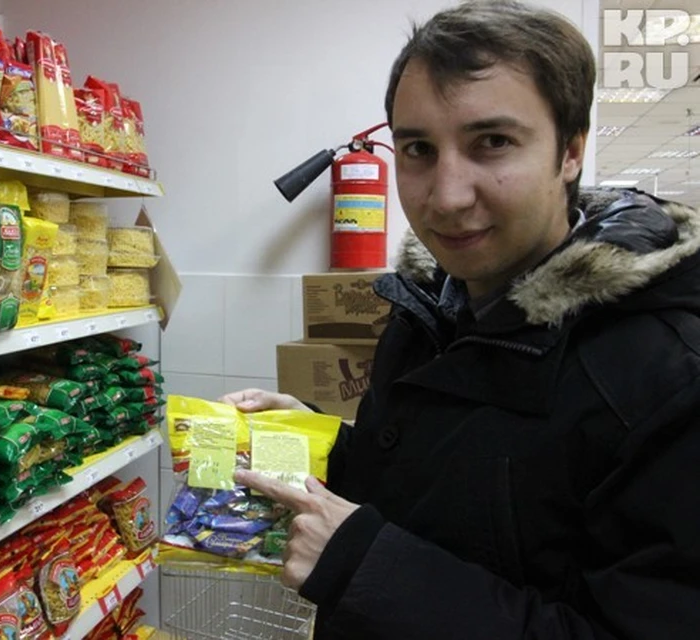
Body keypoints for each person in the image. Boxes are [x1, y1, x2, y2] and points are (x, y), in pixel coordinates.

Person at [223, 1, 700, 638]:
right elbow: (447, 485)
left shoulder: (669, 378)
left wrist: (362, 564)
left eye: (492, 143)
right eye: (419, 149)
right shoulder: (430, 306)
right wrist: (326, 441)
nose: (446, 197)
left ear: (569, 152)